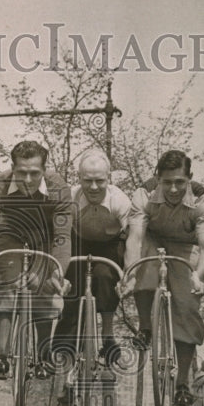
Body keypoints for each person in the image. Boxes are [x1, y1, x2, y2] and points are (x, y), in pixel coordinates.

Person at [123, 149, 204, 406]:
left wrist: (199, 277)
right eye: (167, 182)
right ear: (157, 178)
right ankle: (145, 327)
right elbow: (136, 238)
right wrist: (130, 273)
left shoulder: (203, 199)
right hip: (154, 238)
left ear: (189, 178)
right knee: (145, 265)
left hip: (185, 246)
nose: (173, 189)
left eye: (180, 182)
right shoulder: (144, 194)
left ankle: (182, 381)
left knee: (187, 306)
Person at [0, 140, 76, 380]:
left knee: (45, 285)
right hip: (10, 234)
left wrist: (58, 272)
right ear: (12, 168)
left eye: (34, 173)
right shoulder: (0, 185)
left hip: (45, 238)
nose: (27, 180)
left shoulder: (59, 188)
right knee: (8, 281)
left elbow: (62, 237)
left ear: (45, 170)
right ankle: (2, 355)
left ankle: (44, 355)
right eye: (21, 172)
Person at [50, 150, 132, 369]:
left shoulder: (120, 200)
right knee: (73, 287)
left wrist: (128, 274)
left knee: (106, 277)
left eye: (100, 181)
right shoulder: (72, 197)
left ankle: (107, 334)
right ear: (79, 178)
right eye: (88, 181)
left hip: (109, 244)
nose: (94, 187)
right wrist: (58, 270)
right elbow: (61, 235)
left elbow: (134, 239)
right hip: (78, 240)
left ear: (109, 178)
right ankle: (65, 353)